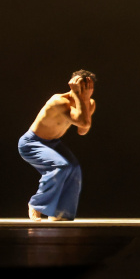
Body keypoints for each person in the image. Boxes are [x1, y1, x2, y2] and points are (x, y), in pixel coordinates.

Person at [18, 70, 97, 221]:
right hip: (32, 143)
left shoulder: (89, 103)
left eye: (87, 86)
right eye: (81, 85)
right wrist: (80, 96)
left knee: (74, 169)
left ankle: (60, 212)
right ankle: (36, 204)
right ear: (73, 84)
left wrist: (85, 100)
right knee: (61, 166)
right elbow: (83, 122)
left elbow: (82, 130)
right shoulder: (59, 101)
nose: (84, 89)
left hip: (53, 143)